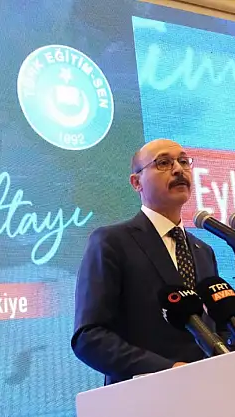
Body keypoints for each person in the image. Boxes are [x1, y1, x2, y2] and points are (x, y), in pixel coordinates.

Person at [71, 139, 223, 385]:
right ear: (136, 182)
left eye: (184, 161)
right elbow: (89, 337)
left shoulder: (203, 251)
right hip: (143, 396)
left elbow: (216, 327)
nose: (178, 169)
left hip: (208, 391)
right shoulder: (112, 242)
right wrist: (166, 369)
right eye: (163, 163)